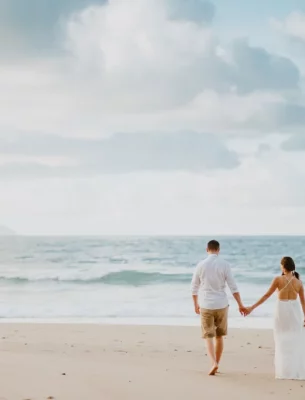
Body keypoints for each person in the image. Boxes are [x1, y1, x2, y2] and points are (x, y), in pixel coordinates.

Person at [191, 240, 246, 375]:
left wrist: (195, 305)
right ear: (218, 250)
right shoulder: (225, 265)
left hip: (206, 304)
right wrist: (240, 305)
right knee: (219, 336)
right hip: (221, 304)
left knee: (208, 336)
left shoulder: (201, 265)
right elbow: (233, 287)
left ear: (207, 249)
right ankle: (217, 364)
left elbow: (194, 288)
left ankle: (213, 363)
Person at [245, 256, 305, 380]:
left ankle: (284, 371)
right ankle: (294, 370)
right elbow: (303, 302)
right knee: (295, 340)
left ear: (283, 267)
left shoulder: (278, 279)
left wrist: (252, 307)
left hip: (281, 311)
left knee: (281, 340)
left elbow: (267, 295)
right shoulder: (299, 282)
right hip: (295, 311)